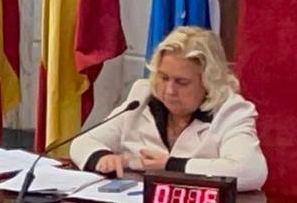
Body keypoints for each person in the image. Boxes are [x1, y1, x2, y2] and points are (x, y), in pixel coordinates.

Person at [71, 25, 267, 191]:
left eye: (182, 82)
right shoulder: (142, 97)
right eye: (164, 78)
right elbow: (82, 142)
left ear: (209, 82)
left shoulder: (230, 111)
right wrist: (102, 157)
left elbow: (251, 171)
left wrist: (172, 165)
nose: (169, 90)